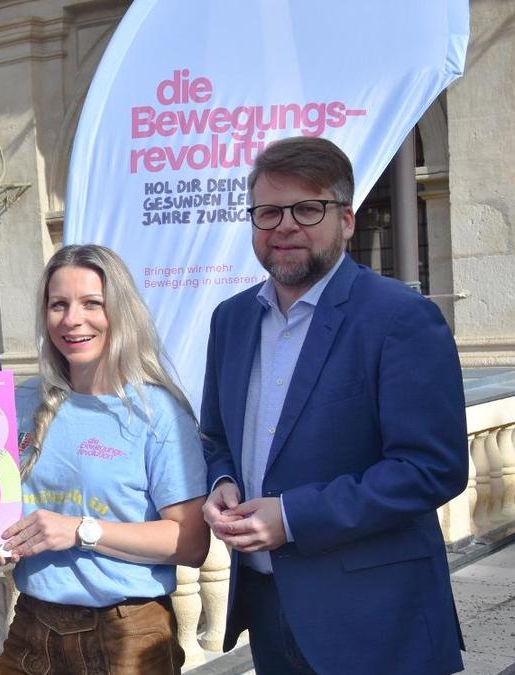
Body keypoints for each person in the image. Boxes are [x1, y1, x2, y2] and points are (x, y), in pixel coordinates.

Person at [201, 135, 468, 674]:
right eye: (269, 211)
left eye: (307, 208)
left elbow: (432, 468)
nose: (285, 225)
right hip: (268, 607)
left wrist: (294, 516)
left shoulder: (400, 319)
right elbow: (216, 438)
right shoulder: (230, 321)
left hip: (376, 619)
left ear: (346, 220)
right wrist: (221, 482)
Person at [0, 244, 209, 675]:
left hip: (129, 633)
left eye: (91, 304)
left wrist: (80, 530)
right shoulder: (19, 403)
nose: (72, 319)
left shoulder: (157, 414)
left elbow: (192, 543)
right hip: (32, 626)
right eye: (58, 305)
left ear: (119, 312)